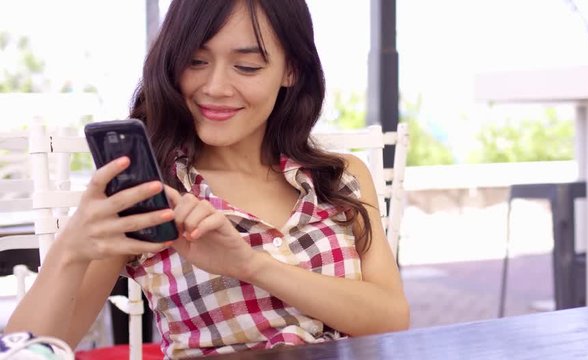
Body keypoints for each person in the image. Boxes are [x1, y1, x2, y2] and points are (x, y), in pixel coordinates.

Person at [6, 0, 410, 358]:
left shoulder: (339, 177)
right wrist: (72, 247)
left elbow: (391, 319)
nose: (215, 87)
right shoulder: (153, 194)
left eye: (246, 66)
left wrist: (251, 264)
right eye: (195, 61)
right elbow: (31, 349)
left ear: (291, 70)